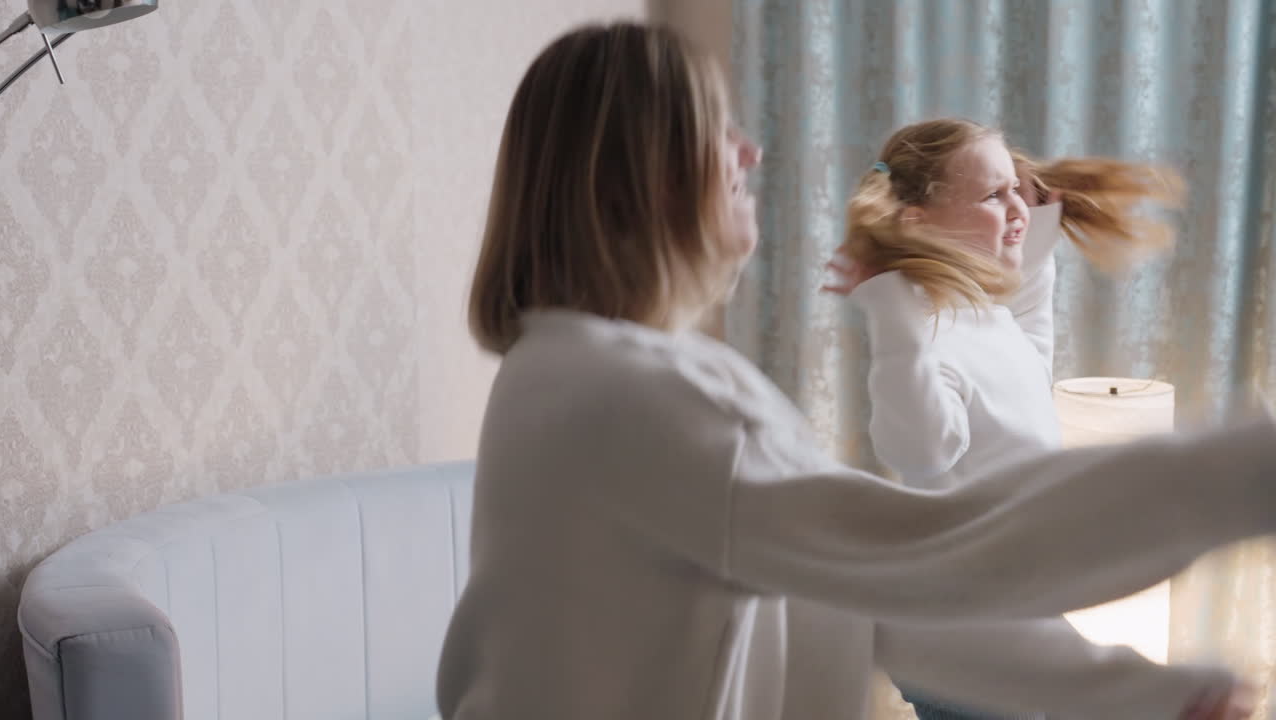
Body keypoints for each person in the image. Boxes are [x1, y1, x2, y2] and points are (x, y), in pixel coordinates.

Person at [436, 21, 1269, 720]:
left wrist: (1142, 694)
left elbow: (867, 605)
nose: (752, 152)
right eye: (719, 130)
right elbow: (922, 552)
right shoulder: (643, 398)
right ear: (641, 177)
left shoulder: (553, 374)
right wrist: (1236, 474)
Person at [821, 118, 1186, 719]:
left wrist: (1034, 231)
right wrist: (888, 309)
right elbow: (919, 449)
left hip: (1006, 609)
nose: (1015, 203)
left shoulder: (982, 316)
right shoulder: (926, 333)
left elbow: (1029, 347)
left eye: (1017, 188)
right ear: (918, 221)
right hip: (964, 632)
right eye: (995, 195)